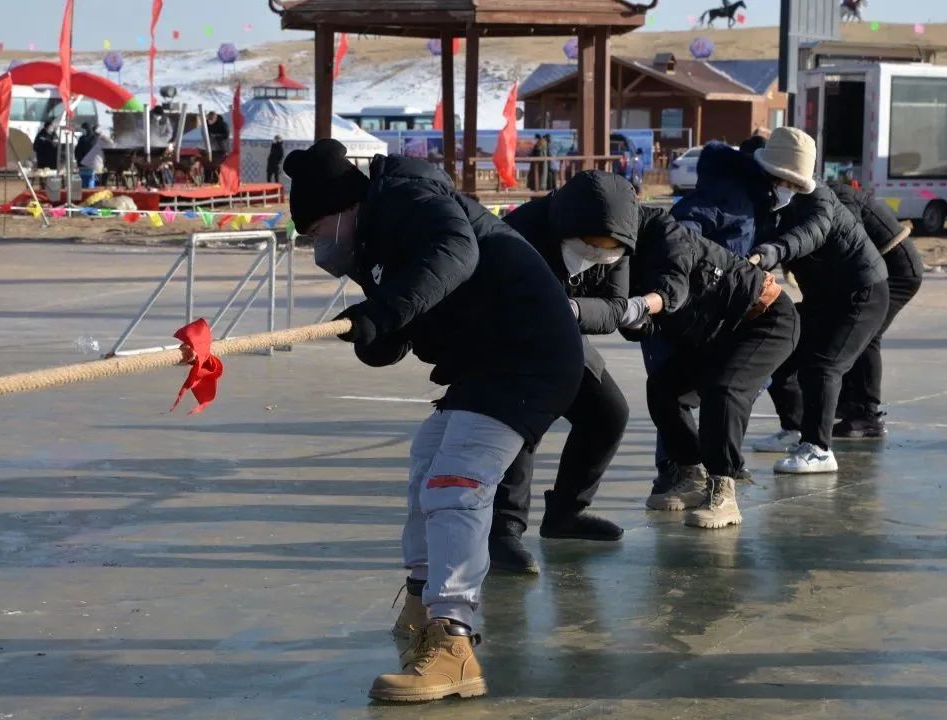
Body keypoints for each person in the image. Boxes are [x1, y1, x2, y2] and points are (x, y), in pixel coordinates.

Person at [283, 139, 583, 702]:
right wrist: (377, 334)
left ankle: (454, 641)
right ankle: (424, 602)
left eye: (316, 227)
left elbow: (454, 252)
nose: (314, 242)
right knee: (428, 467)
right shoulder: (370, 238)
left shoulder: (408, 196)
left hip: (528, 354)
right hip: (483, 363)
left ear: (342, 207)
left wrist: (384, 312)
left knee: (457, 483)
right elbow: (408, 312)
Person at [599, 173, 799, 527]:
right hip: (715, 332)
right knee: (663, 389)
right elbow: (641, 323)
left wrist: (639, 307)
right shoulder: (619, 251)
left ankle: (724, 489)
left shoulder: (666, 233)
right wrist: (632, 321)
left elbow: (672, 288)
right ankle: (692, 475)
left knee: (725, 390)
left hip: (765, 318)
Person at [488, 172, 638, 574]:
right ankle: (503, 531)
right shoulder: (519, 231)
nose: (596, 254)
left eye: (607, 250)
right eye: (589, 246)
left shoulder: (621, 240)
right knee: (524, 419)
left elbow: (613, 308)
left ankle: (566, 513)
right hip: (506, 337)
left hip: (567, 332)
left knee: (608, 413)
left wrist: (570, 310)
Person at [748, 127, 889, 473]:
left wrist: (773, 251)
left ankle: (818, 448)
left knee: (824, 365)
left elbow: (809, 234)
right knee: (780, 350)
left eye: (793, 181)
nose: (786, 186)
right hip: (824, 297)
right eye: (781, 179)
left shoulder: (821, 202)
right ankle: (794, 428)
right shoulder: (769, 201)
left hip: (862, 293)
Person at [830, 181, 923, 438]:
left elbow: (851, 240)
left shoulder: (839, 197)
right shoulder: (830, 194)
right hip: (882, 268)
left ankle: (866, 415)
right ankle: (851, 404)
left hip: (899, 271)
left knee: (866, 333)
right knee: (857, 330)